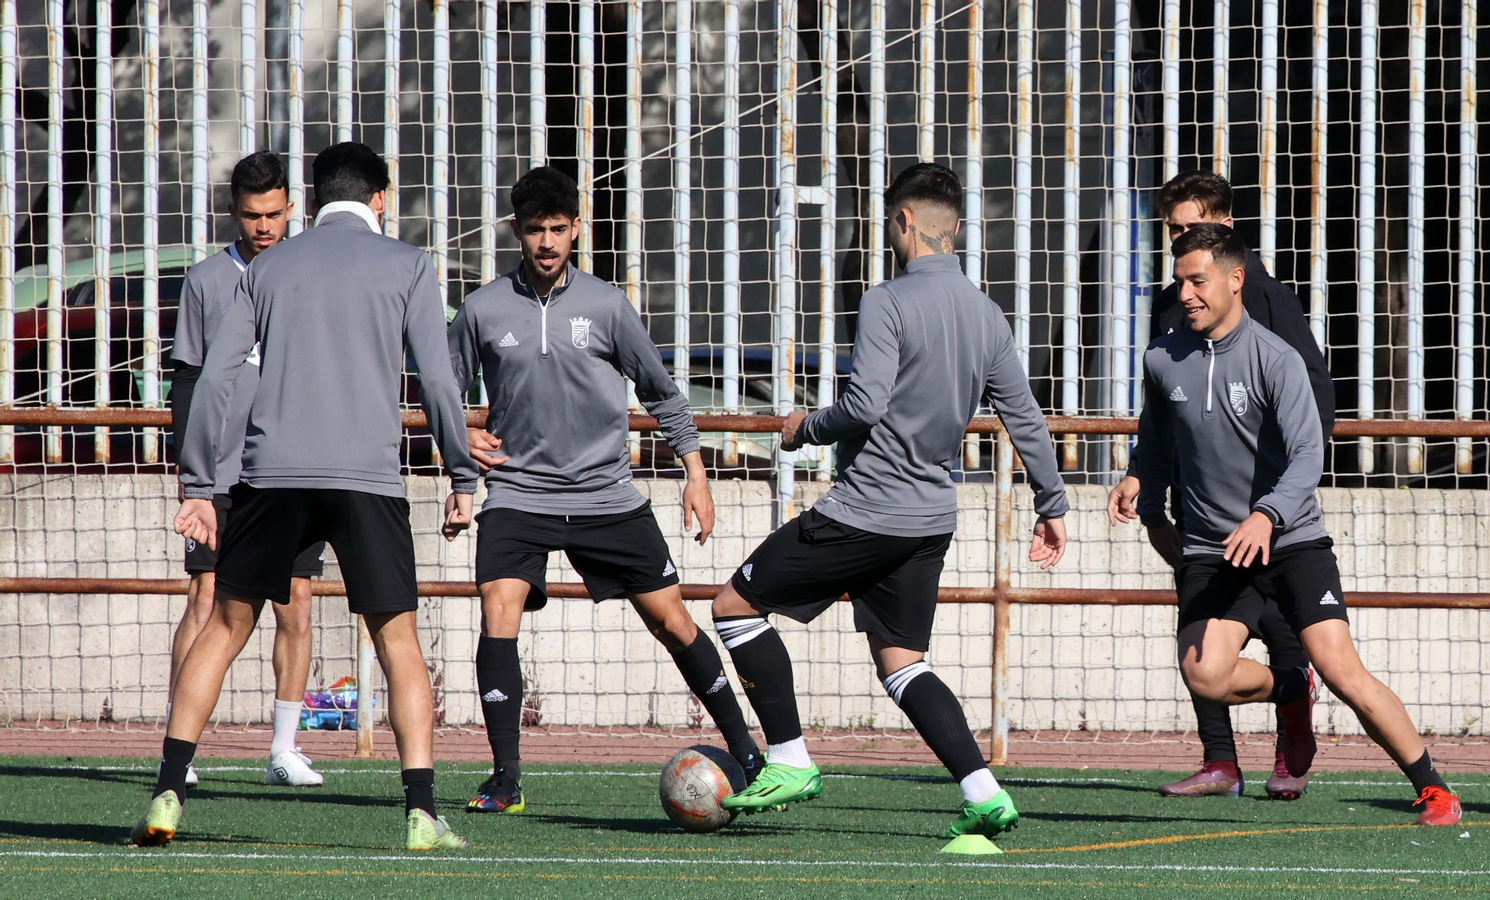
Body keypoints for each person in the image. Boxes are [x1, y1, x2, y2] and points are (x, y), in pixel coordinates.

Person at [134, 142, 480, 851]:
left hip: (270, 479)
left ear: (312, 202)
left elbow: (215, 378)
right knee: (398, 641)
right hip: (366, 481)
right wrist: (463, 475)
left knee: (225, 626)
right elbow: (439, 382)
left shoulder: (267, 267)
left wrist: (199, 484)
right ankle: (421, 812)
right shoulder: (410, 264)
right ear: (380, 199)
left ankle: (168, 790)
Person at [706, 163, 1069, 838]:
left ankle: (789, 759)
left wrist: (805, 428)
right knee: (903, 661)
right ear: (953, 227)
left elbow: (865, 404)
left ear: (903, 221)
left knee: (734, 608)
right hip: (929, 521)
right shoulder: (987, 314)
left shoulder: (886, 301)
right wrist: (1052, 504)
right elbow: (1024, 416)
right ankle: (985, 791)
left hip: (866, 511)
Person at [446, 166, 760, 814]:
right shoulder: (482, 309)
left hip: (606, 495)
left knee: (672, 621)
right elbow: (445, 396)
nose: (547, 242)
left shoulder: (608, 305)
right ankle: (505, 778)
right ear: (518, 231)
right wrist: (462, 472)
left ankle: (749, 757)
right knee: (498, 610)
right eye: (536, 230)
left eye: (558, 229)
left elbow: (662, 393)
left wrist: (696, 474)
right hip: (520, 493)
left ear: (577, 230)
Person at [1130, 223, 1461, 827]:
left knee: (1341, 670)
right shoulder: (1161, 357)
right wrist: (1149, 503)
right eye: (1179, 282)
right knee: (1204, 675)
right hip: (1213, 549)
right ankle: (1289, 687)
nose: (1185, 294)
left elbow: (1310, 454)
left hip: (1291, 540)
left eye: (1198, 281)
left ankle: (1433, 788)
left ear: (1235, 279)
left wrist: (1268, 513)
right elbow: (1154, 443)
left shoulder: (1276, 359)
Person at [1108, 171, 1334, 800]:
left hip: (1268, 512)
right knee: (1199, 630)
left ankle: (1290, 749)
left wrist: (1278, 497)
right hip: (1200, 510)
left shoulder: (1265, 298)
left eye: (1193, 226)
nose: (1181, 239)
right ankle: (1220, 761)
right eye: (1173, 230)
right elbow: (1163, 412)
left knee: (1286, 630)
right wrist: (1142, 474)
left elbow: (1313, 396)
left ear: (1226, 228)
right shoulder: (1172, 302)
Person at [166, 151, 325, 790]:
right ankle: (181, 750)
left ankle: (284, 749)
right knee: (206, 598)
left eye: (275, 214)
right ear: (234, 211)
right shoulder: (207, 281)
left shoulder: (308, 273)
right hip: (221, 477)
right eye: (253, 215)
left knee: (296, 603)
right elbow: (187, 381)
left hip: (290, 472)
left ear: (292, 210)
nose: (264, 226)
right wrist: (192, 477)